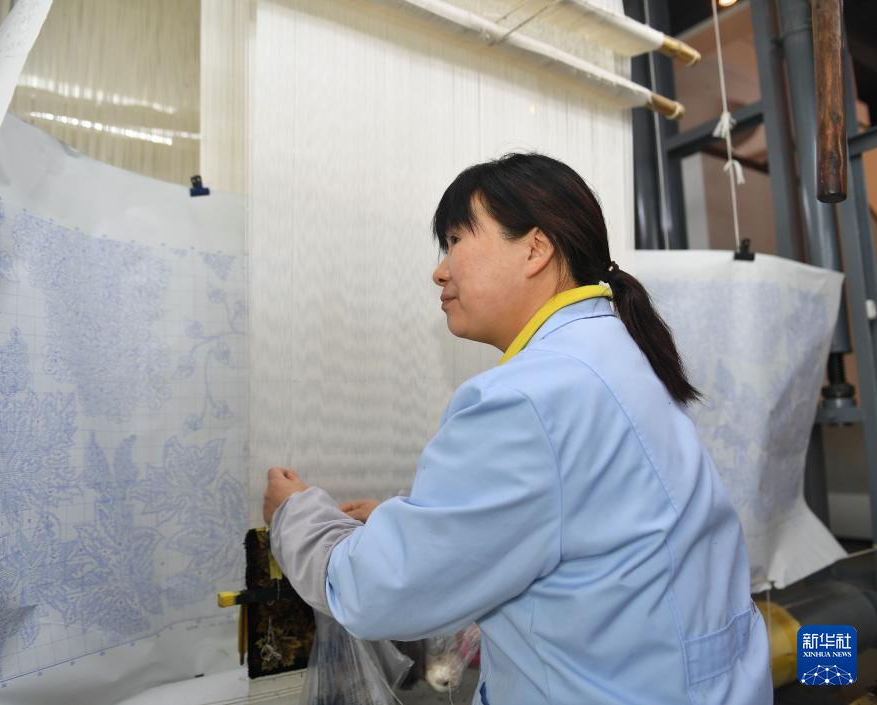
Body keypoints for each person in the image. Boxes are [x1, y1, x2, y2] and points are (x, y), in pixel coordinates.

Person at [262, 153, 772, 704]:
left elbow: (374, 592)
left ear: (535, 248)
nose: (440, 270)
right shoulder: (616, 356)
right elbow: (591, 521)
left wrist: (297, 516)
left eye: (456, 239)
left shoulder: (525, 397)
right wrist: (408, 520)